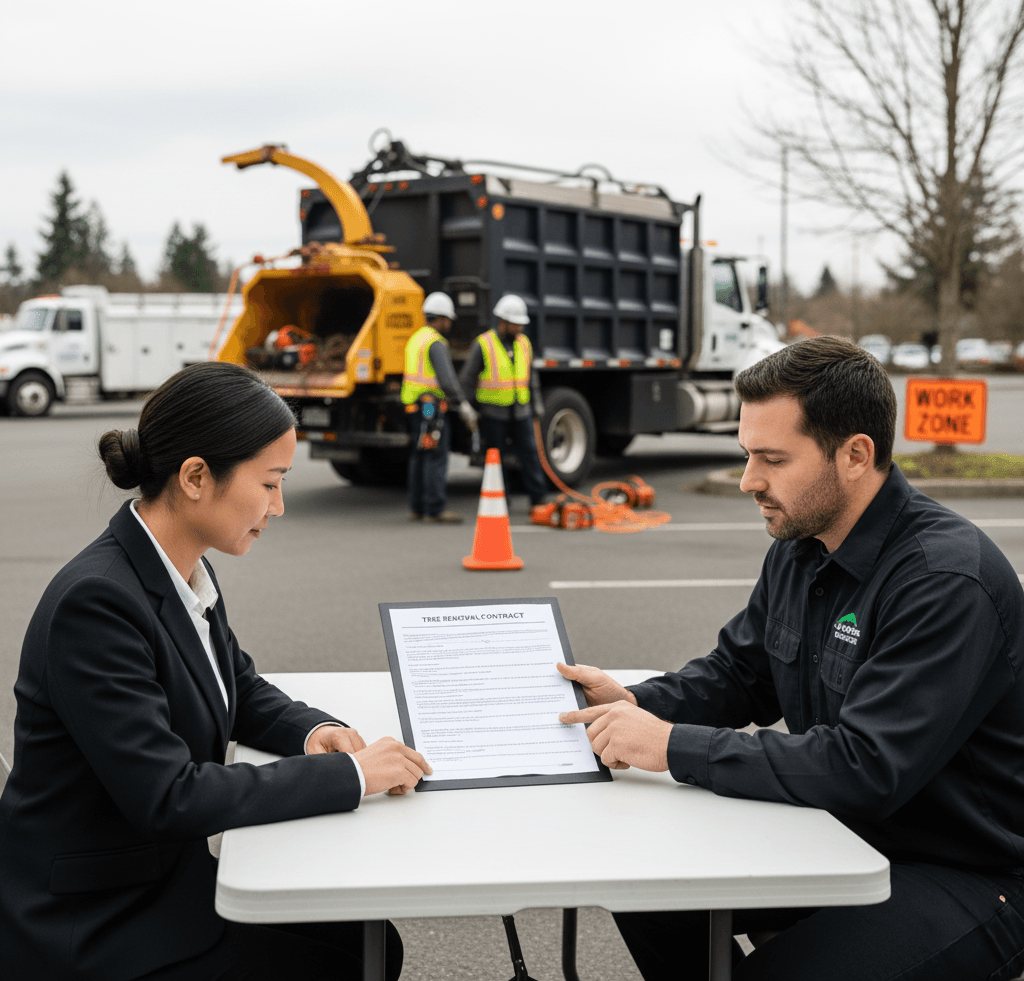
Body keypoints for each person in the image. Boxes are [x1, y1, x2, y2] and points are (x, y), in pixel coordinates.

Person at [558, 336, 1024, 981]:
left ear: (856, 454)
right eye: (748, 455)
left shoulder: (945, 580)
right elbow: (741, 674)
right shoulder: (803, 540)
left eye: (772, 459)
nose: (751, 481)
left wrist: (669, 745)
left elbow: (866, 767)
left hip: (963, 868)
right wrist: (635, 705)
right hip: (836, 832)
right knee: (646, 883)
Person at [0, 362, 431, 981]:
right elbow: (170, 796)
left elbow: (239, 684)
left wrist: (315, 733)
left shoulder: (178, 565)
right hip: (96, 919)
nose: (278, 506)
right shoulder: (96, 603)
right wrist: (350, 775)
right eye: (271, 483)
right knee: (354, 956)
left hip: (155, 878)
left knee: (366, 939)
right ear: (197, 477)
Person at [458, 294, 548, 511]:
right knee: (495, 459)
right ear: (503, 322)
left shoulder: (524, 344)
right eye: (515, 324)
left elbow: (531, 377)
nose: (519, 328)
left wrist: (536, 405)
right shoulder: (483, 344)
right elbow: (468, 379)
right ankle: (501, 499)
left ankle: (538, 498)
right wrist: (465, 406)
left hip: (520, 412)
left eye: (521, 325)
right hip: (493, 414)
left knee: (529, 454)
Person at [401, 291, 478, 523]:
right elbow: (447, 381)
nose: (450, 324)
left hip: (416, 407)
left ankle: (417, 507)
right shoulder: (435, 343)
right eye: (449, 320)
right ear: (442, 319)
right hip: (429, 408)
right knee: (435, 454)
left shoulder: (416, 339)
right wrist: (463, 405)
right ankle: (434, 509)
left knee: (420, 455)